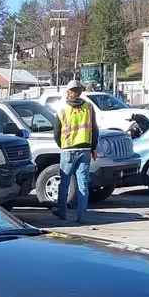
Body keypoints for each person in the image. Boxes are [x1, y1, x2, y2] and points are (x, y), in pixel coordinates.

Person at [53, 81, 98, 223]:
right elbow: (94, 129)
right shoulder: (89, 107)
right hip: (85, 150)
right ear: (80, 92)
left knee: (64, 183)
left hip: (68, 149)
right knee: (82, 184)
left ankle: (62, 212)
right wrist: (93, 148)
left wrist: (62, 145)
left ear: (68, 92)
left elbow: (56, 132)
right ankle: (82, 216)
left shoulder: (62, 109)